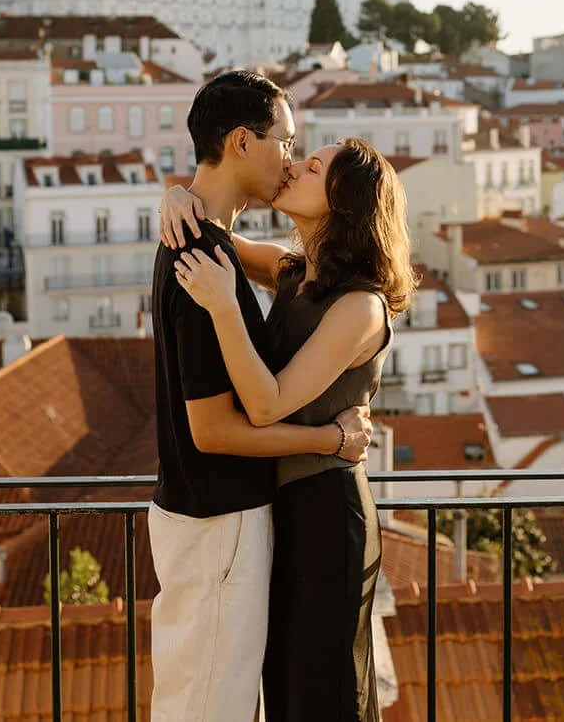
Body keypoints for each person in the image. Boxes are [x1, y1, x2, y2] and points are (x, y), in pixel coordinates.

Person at [164, 136, 416, 722]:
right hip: (285, 507)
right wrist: (174, 197)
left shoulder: (360, 307)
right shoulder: (294, 272)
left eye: (313, 166)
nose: (292, 166)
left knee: (322, 692)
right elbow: (213, 232)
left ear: (345, 201)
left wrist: (226, 308)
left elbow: (265, 404)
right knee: (283, 688)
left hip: (329, 515)